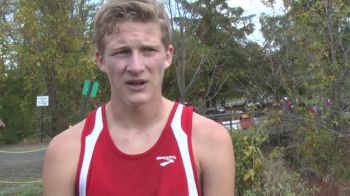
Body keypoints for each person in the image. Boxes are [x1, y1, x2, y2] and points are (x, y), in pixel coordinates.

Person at [42, 0, 235, 195]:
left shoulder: (211, 140)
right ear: (101, 60)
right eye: (122, 52)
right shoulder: (65, 151)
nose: (136, 67)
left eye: (148, 50)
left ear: (168, 55)